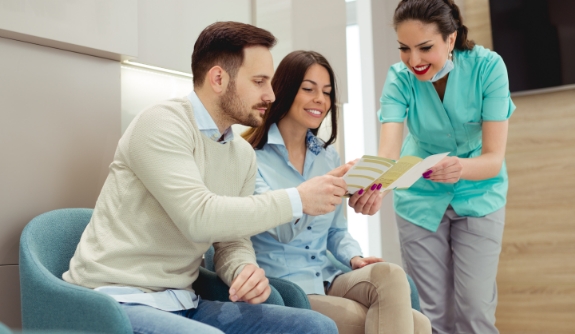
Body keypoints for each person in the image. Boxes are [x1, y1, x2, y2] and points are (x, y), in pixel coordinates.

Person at [62, 21, 345, 334]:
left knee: (315, 327)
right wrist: (298, 199)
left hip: (184, 302)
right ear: (219, 78)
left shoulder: (241, 155)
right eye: (260, 81)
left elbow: (231, 239)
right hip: (115, 302)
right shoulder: (161, 124)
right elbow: (199, 216)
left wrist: (243, 269)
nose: (271, 94)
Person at [242, 50, 431, 334]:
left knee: (391, 274)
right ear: (285, 90)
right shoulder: (250, 158)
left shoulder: (327, 157)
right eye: (309, 89)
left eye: (327, 92)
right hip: (286, 286)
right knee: (415, 324)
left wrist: (354, 258)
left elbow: (336, 232)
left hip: (328, 277)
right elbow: (281, 230)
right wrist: (320, 187)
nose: (321, 99)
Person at [377, 0, 516, 333]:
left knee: (475, 310)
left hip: (479, 193)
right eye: (404, 49)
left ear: (450, 39)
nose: (414, 61)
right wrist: (372, 182)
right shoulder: (399, 78)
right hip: (419, 199)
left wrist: (460, 168)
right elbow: (388, 154)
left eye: (425, 48)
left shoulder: (488, 67)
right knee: (429, 315)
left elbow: (493, 159)